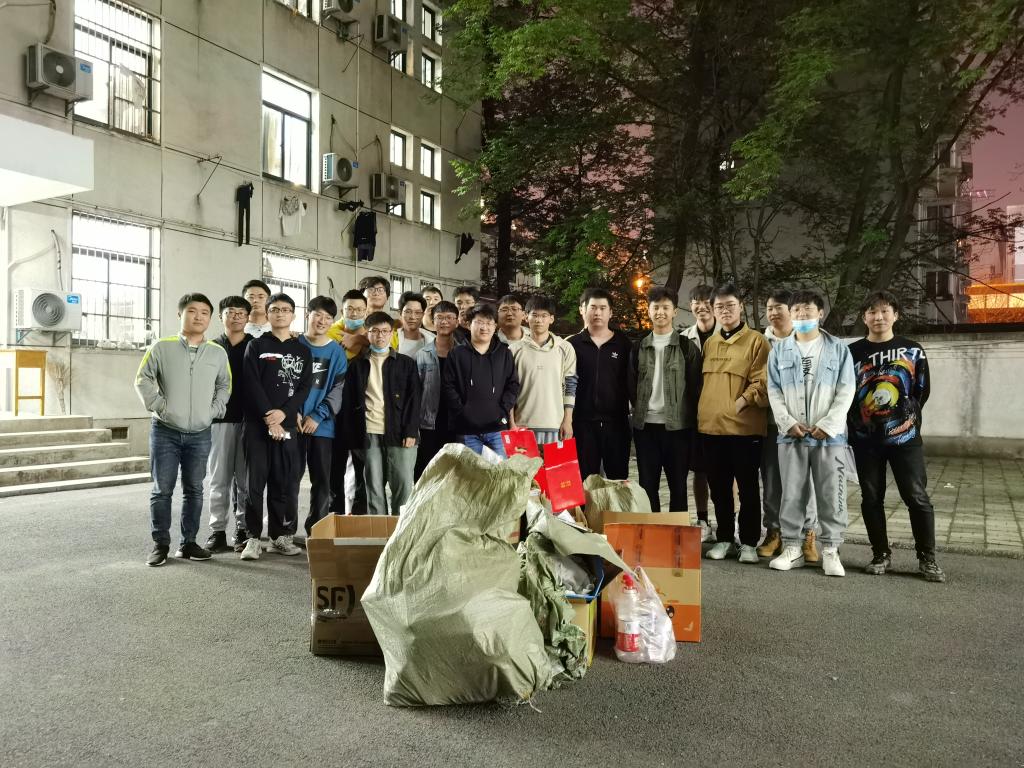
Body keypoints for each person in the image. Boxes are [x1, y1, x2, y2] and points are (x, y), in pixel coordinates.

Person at [848, 290, 945, 583]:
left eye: (885, 311)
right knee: (871, 497)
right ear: (864, 317)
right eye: (872, 312)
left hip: (905, 438)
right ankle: (880, 554)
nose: (879, 317)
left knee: (916, 496)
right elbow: (845, 392)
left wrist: (903, 420)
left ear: (895, 315)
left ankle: (927, 558)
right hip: (865, 439)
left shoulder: (913, 350)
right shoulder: (851, 353)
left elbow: (921, 390)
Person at [135, 293, 230, 566]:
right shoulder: (161, 347)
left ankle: (188, 543)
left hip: (200, 433)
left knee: (194, 490)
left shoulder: (217, 352)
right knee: (162, 490)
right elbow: (142, 379)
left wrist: (213, 410)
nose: (198, 316)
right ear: (180, 315)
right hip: (165, 430)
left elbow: (224, 385)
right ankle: (160, 545)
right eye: (192, 311)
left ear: (209, 318)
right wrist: (160, 407)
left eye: (204, 312)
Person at [766, 290, 856, 576]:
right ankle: (792, 547)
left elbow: (846, 390)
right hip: (791, 435)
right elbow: (773, 390)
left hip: (829, 437)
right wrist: (787, 422)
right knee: (792, 493)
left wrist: (828, 424)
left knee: (831, 494)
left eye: (808, 310)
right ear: (790, 315)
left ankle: (830, 549)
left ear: (820, 313)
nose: (802, 315)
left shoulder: (838, 349)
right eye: (797, 311)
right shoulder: (779, 350)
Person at [698, 282, 770, 563]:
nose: (725, 311)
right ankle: (725, 538)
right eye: (719, 307)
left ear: (741, 306)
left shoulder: (756, 341)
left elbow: (762, 381)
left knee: (748, 488)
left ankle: (749, 542)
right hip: (711, 428)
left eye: (730, 305)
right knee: (718, 489)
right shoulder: (710, 343)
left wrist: (739, 403)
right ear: (713, 310)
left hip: (744, 429)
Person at [239, 293, 312, 561]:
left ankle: (279, 536)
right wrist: (270, 418)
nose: (280, 313)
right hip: (257, 426)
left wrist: (283, 414)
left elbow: (304, 388)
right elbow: (251, 383)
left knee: (284, 482)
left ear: (293, 314)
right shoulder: (256, 345)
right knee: (254, 484)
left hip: (288, 425)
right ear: (267, 314)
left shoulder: (302, 351)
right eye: (275, 309)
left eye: (285, 309)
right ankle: (252, 538)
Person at [758, 289, 820, 564]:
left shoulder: (811, 340)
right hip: (773, 424)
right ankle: (774, 531)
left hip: (808, 425)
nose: (773, 313)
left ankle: (808, 533)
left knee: (807, 483)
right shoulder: (760, 341)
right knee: (772, 481)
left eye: (779, 307)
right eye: (769, 308)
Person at [628, 286, 702, 512]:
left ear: (674, 311)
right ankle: (653, 530)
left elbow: (695, 387)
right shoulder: (639, 347)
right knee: (647, 486)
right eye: (656, 307)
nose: (660, 312)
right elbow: (631, 384)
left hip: (678, 428)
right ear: (649, 310)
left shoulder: (687, 347)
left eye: (666, 307)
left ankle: (677, 531)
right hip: (646, 428)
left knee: (678, 486)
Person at [342, 311, 421, 516]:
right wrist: (352, 440)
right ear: (367, 334)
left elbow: (415, 400)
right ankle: (378, 530)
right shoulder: (357, 365)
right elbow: (349, 404)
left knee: (403, 484)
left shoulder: (406, 364)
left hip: (400, 433)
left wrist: (411, 431)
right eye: (375, 331)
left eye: (385, 331)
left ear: (392, 333)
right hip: (369, 432)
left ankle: (400, 528)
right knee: (373, 486)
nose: (380, 336)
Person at [568, 288, 633, 481]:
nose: (597, 312)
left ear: (610, 312)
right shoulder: (571, 345)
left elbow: (632, 381)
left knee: (618, 480)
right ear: (582, 310)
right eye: (593, 307)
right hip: (582, 423)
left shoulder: (624, 344)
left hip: (616, 423)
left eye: (603, 308)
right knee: (585, 481)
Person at [204, 296, 252, 554]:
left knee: (245, 481)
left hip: (249, 422)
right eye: (230, 312)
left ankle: (243, 529)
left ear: (248, 317)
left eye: (241, 313)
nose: (235, 317)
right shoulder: (210, 347)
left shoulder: (255, 346)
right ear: (221, 316)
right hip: (219, 422)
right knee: (218, 479)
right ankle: (217, 531)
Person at [297, 296, 347, 535]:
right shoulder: (294, 344)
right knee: (288, 478)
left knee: (321, 481)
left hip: (322, 426)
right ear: (308, 315)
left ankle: (315, 530)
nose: (322, 321)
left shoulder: (336, 352)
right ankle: (284, 531)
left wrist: (318, 416)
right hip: (292, 424)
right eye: (318, 315)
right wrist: (292, 414)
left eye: (328, 317)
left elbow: (338, 389)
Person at [443, 303, 520, 455]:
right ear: (469, 324)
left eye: (489, 323)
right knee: (470, 470)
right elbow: (448, 386)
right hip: (467, 429)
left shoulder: (504, 353)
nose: (484, 327)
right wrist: (462, 411)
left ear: (495, 326)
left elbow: (513, 385)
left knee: (499, 469)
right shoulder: (456, 354)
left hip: (497, 429)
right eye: (479, 322)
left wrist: (502, 410)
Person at [508, 295, 577, 444]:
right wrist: (511, 423)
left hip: (556, 426)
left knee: (556, 462)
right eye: (534, 315)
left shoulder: (565, 348)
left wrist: (568, 421)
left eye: (544, 316)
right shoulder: (514, 350)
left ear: (551, 319)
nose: (539, 320)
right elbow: (508, 389)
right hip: (522, 426)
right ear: (526, 317)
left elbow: (570, 386)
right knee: (523, 461)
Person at [326, 289, 370, 515]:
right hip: (335, 409)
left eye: (360, 309)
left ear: (366, 311)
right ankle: (334, 515)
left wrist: (360, 338)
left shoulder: (374, 332)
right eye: (349, 309)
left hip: (363, 410)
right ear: (342, 311)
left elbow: (386, 341)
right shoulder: (331, 331)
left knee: (363, 466)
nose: (354, 313)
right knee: (335, 465)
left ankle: (359, 515)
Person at [680, 284, 717, 541]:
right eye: (696, 302)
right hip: (692, 415)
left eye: (707, 302)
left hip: (722, 413)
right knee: (699, 470)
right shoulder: (683, 339)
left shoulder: (727, 335)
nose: (702, 307)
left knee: (727, 471)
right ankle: (702, 519)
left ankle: (729, 522)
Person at [415, 300, 460, 480]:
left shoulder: (463, 353)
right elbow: (416, 391)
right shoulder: (422, 354)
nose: (444, 322)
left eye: (449, 317)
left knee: (453, 473)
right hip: (428, 422)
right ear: (433, 322)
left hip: (456, 422)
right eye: (439, 317)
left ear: (457, 321)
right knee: (426, 471)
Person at [394, 292, 435, 357]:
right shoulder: (391, 339)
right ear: (400, 313)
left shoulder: (432, 341)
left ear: (423, 315)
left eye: (417, 312)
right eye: (408, 312)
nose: (412, 317)